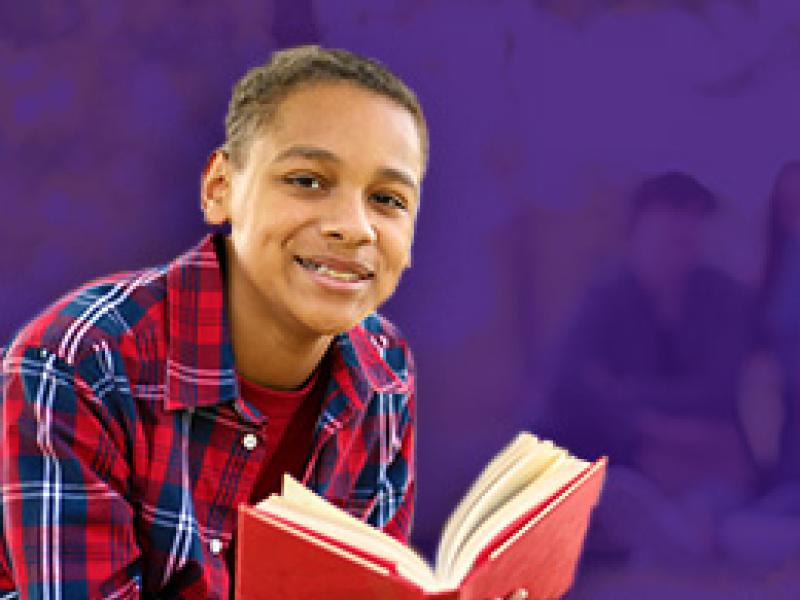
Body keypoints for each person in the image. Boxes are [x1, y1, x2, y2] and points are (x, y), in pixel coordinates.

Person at [1, 45, 426, 598]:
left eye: (388, 199)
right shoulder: (78, 363)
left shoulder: (385, 375)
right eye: (306, 181)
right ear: (219, 187)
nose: (354, 227)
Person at [547, 171, 755, 568]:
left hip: (706, 455)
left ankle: (686, 536)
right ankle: (674, 535)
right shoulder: (603, 299)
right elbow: (569, 389)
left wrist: (626, 396)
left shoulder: (726, 298)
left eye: (690, 230)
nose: (681, 242)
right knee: (617, 482)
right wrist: (651, 427)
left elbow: (718, 392)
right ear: (635, 232)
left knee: (718, 496)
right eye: (668, 230)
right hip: (633, 455)